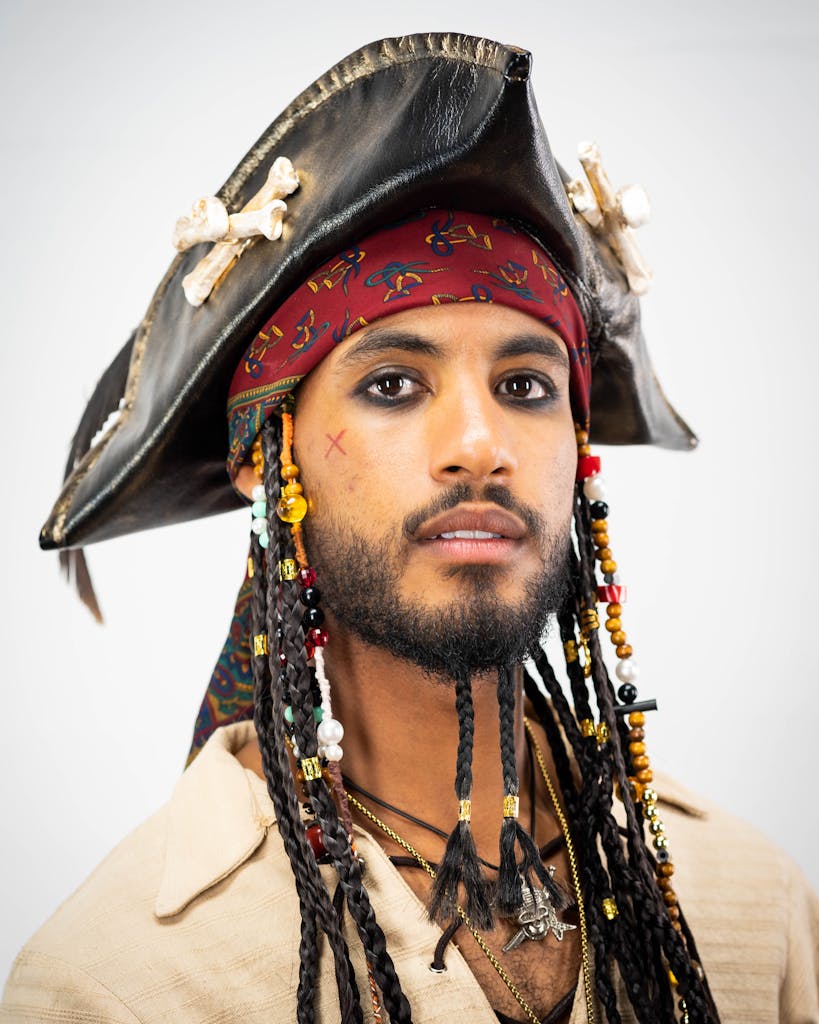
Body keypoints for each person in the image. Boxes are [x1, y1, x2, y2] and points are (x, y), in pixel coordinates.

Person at [2, 32, 816, 1024]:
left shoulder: (747, 904)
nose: (479, 445)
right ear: (270, 453)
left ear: (576, 443)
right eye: (393, 385)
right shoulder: (121, 980)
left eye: (524, 385)